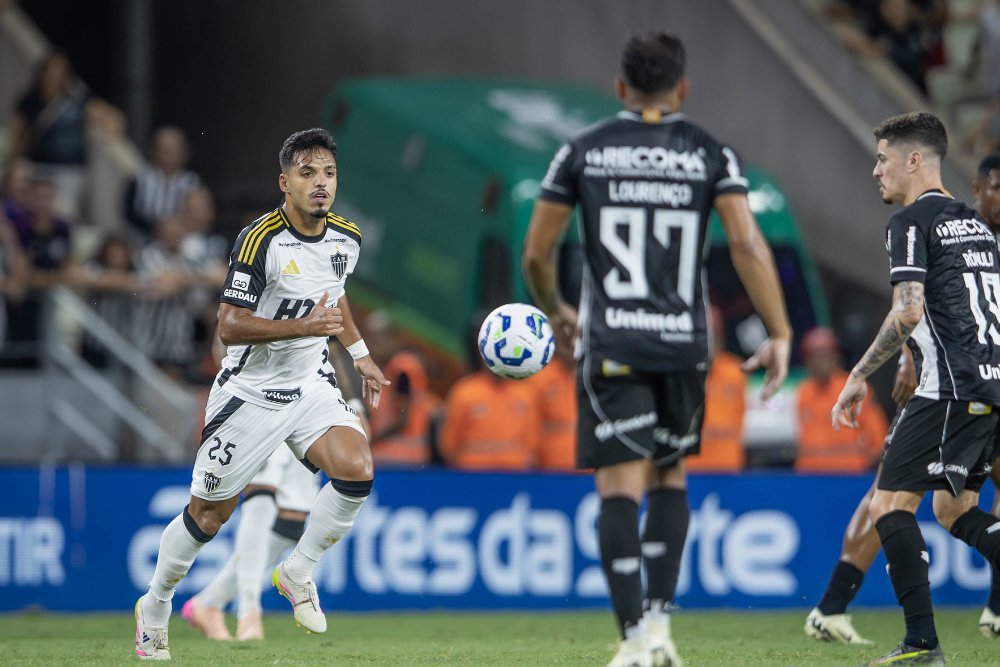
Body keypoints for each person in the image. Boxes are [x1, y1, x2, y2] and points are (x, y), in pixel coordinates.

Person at [522, 32, 791, 667]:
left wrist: (557, 308)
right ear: (683, 89)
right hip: (684, 346)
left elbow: (537, 252)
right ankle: (662, 630)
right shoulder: (710, 153)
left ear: (620, 88)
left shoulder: (581, 152)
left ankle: (633, 643)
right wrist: (778, 332)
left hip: (612, 339)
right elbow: (748, 245)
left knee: (618, 488)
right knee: (671, 475)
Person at [133, 128, 389, 660]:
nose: (321, 184)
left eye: (329, 174)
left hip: (309, 382)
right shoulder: (259, 240)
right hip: (250, 391)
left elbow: (333, 300)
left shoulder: (348, 239)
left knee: (357, 467)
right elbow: (228, 326)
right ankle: (156, 604)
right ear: (284, 182)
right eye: (307, 174)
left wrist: (360, 354)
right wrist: (304, 328)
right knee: (208, 516)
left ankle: (298, 571)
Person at [805, 151, 1000, 647]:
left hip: (949, 389)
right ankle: (838, 608)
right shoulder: (979, 231)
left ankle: (917, 643)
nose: (875, 170)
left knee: (888, 502)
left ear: (913, 160)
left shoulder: (910, 221)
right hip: (989, 384)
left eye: (882, 159)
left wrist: (858, 373)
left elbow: (909, 311)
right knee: (953, 511)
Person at [9, 51, 123, 222]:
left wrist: (111, 131)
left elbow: (111, 117)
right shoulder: (30, 101)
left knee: (63, 214)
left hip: (69, 171)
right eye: (51, 71)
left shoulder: (78, 100)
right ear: (42, 73)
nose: (55, 76)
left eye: (60, 72)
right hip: (38, 167)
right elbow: (18, 134)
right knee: (33, 214)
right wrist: (14, 160)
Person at [438, 313, 543, 470]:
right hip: (473, 478)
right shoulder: (464, 392)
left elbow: (534, 445)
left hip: (515, 478)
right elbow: (448, 445)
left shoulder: (526, 392)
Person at [795, 327, 888, 472]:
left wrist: (863, 465)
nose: (820, 362)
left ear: (836, 357)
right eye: (814, 356)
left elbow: (878, 438)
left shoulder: (854, 388)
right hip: (809, 476)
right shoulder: (802, 392)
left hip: (848, 475)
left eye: (824, 356)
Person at [686, 306, 747, 472]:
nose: (710, 342)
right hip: (691, 466)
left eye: (715, 335)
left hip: (728, 465)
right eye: (704, 335)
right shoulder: (683, 371)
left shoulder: (736, 371)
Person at [125, 125, 202, 244]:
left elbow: (198, 215)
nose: (168, 157)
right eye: (164, 151)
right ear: (154, 151)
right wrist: (157, 228)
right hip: (144, 242)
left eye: (172, 151)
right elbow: (129, 213)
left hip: (182, 243)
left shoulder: (191, 182)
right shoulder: (140, 179)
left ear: (183, 153)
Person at [522, 340, 578, 471]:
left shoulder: (593, 372)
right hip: (550, 467)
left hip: (589, 466)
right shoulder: (539, 376)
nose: (572, 347)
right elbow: (530, 423)